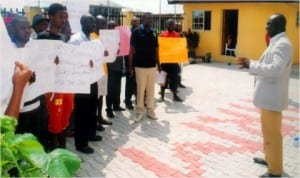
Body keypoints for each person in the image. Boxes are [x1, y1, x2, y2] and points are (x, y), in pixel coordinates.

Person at [237, 13, 292, 178]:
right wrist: (252, 64)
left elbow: (275, 69)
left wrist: (251, 64)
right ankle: (270, 159)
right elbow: (268, 64)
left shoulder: (282, 44)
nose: (266, 27)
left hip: (272, 99)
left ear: (277, 26)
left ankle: (275, 171)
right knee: (267, 132)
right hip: (268, 98)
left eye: (269, 24)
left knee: (273, 135)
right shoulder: (277, 42)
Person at [37, 3, 74, 151]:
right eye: (60, 17)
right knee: (53, 121)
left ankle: (63, 152)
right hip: (51, 88)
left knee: (65, 119)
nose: (63, 20)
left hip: (65, 86)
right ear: (51, 17)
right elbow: (38, 64)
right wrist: (50, 62)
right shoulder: (42, 38)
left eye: (65, 17)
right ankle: (54, 154)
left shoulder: (63, 37)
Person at [8, 15, 47, 147]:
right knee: (18, 149)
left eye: (28, 27)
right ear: (12, 30)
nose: (27, 31)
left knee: (33, 146)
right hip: (18, 111)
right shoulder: (7, 53)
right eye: (22, 28)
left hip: (36, 106)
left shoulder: (34, 48)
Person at [69, 13, 102, 154]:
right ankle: (81, 143)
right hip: (81, 82)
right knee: (82, 113)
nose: (94, 25)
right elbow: (70, 61)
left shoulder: (92, 39)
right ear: (83, 24)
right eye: (91, 22)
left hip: (93, 79)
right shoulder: (75, 40)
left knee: (91, 109)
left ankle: (90, 134)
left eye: (94, 22)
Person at [128, 12, 161, 122]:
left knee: (151, 90)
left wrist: (159, 64)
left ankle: (150, 110)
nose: (150, 21)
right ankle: (139, 112)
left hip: (152, 66)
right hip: (140, 66)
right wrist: (130, 66)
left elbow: (157, 49)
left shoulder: (154, 32)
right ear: (143, 19)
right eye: (148, 19)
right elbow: (131, 50)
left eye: (151, 19)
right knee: (140, 90)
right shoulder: (136, 32)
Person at [91, 15, 112, 130]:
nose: (103, 26)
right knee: (95, 97)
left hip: (104, 71)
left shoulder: (104, 37)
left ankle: (99, 116)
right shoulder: (92, 37)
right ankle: (94, 120)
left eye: (104, 24)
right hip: (96, 73)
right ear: (95, 24)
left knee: (101, 96)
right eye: (101, 23)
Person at [159, 19, 183, 102]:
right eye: (169, 24)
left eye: (172, 24)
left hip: (174, 61)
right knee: (162, 78)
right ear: (166, 25)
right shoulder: (162, 35)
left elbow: (180, 47)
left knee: (174, 79)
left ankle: (175, 95)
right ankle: (161, 96)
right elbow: (159, 48)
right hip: (165, 61)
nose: (171, 26)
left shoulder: (177, 35)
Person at [105, 20, 126, 118]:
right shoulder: (105, 38)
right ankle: (109, 109)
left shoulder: (120, 37)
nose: (113, 28)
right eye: (111, 26)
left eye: (115, 26)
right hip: (110, 67)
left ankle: (116, 105)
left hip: (119, 66)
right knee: (110, 89)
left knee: (118, 88)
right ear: (108, 27)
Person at [124, 16, 140, 110]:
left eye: (137, 21)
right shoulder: (127, 32)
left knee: (139, 83)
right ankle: (127, 101)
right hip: (129, 62)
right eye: (133, 21)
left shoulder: (141, 32)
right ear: (131, 22)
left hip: (139, 62)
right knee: (129, 83)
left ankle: (138, 99)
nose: (135, 23)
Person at [174, 22, 186, 88]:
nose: (179, 27)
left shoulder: (181, 34)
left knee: (179, 70)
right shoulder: (172, 34)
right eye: (178, 26)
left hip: (179, 55)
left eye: (180, 26)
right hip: (171, 56)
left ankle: (179, 83)